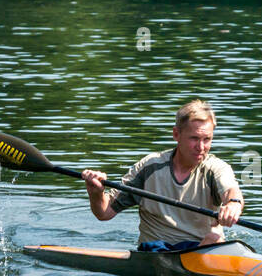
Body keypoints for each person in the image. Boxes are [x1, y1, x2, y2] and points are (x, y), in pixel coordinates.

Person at [82, 99, 244, 249]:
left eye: (207, 139)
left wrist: (233, 204)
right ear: (176, 134)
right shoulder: (149, 167)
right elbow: (104, 213)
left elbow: (231, 191)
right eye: (194, 138)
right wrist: (96, 193)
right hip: (155, 251)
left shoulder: (217, 169)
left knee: (215, 240)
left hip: (202, 248)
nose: (201, 147)